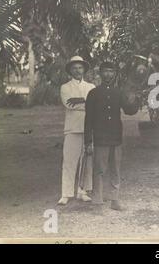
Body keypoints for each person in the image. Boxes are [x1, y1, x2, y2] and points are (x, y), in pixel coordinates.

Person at [84, 61, 139, 211]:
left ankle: (115, 200)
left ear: (114, 74)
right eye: (105, 71)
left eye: (111, 71)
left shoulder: (118, 92)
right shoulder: (93, 94)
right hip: (101, 137)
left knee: (115, 169)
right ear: (100, 74)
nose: (108, 74)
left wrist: (136, 100)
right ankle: (97, 201)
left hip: (116, 137)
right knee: (99, 169)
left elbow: (129, 110)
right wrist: (88, 141)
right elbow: (88, 120)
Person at [58, 56, 95, 205]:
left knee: (87, 160)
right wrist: (87, 102)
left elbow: (94, 105)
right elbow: (69, 104)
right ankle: (66, 193)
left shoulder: (91, 87)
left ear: (84, 70)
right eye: (75, 68)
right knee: (69, 161)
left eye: (80, 68)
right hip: (72, 128)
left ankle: (83, 191)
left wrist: (80, 100)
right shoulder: (65, 87)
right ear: (70, 71)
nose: (78, 70)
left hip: (89, 128)